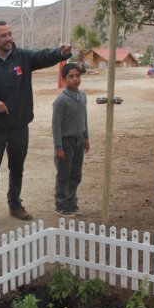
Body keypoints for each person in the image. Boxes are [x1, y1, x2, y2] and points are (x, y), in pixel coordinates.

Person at [0, 20, 72, 227]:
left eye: (10, 34)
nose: (8, 39)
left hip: (19, 125)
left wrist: (61, 53)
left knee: (17, 167)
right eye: (3, 36)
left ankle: (15, 205)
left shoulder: (22, 57)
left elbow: (42, 56)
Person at [52, 62, 90, 216]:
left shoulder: (82, 95)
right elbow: (56, 126)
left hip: (79, 141)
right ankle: (61, 204)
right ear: (64, 79)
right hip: (65, 143)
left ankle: (71, 202)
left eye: (77, 76)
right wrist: (59, 147)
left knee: (75, 174)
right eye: (71, 76)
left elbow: (84, 117)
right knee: (63, 174)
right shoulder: (60, 101)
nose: (75, 79)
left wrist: (86, 137)